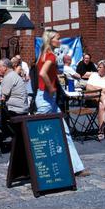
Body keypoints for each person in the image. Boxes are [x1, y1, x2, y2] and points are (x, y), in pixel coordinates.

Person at [35, 29, 90, 177]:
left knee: (64, 131)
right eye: (58, 38)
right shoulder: (51, 56)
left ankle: (77, 167)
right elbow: (42, 74)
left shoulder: (43, 54)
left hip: (47, 99)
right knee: (33, 132)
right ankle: (24, 164)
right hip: (46, 99)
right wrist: (52, 87)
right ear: (51, 40)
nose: (60, 41)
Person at [86, 59, 105, 141]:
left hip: (102, 100)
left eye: (100, 67)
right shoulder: (94, 75)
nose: (98, 69)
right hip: (91, 98)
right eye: (98, 67)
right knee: (101, 94)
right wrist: (101, 89)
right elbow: (88, 88)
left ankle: (101, 131)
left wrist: (96, 88)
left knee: (101, 106)